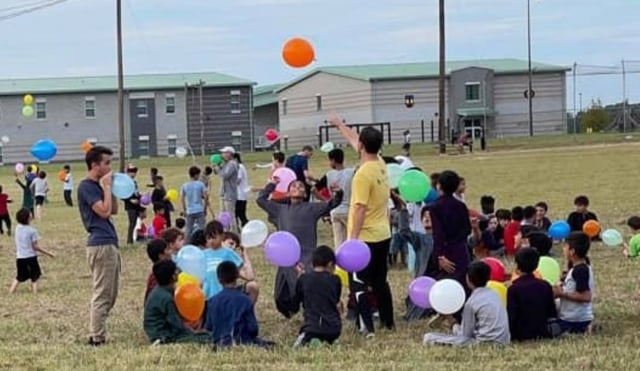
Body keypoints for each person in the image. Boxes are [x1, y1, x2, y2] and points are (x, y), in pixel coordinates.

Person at [329, 115, 394, 335]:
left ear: (362, 146)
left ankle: (366, 326)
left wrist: (352, 241)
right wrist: (340, 126)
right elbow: (356, 140)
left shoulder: (362, 175)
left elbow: (358, 208)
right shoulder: (380, 164)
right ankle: (388, 322)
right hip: (383, 233)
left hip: (365, 238)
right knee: (380, 281)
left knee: (358, 284)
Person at [257, 178, 343, 318]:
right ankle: (291, 310)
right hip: (286, 259)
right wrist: (272, 184)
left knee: (307, 289)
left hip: (306, 257)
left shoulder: (312, 208)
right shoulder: (280, 209)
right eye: (293, 186)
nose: (297, 187)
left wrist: (338, 192)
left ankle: (315, 314)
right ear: (288, 193)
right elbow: (261, 200)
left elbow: (333, 203)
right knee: (280, 297)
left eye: (301, 186)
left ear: (305, 194)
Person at [77, 145, 120, 346]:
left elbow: (114, 210)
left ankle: (98, 331)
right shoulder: (86, 186)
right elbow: (103, 212)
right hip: (100, 243)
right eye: (107, 163)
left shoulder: (101, 186)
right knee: (102, 292)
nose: (110, 167)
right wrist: (106, 188)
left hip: (110, 242)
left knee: (111, 294)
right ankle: (96, 336)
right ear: (95, 165)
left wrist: (112, 188)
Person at [423, 261, 510, 346]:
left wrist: (452, 321)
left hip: (485, 343)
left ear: (468, 278)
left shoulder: (471, 303)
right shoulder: (494, 294)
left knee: (429, 337)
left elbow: (465, 335)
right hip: (504, 340)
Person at [205, 261, 274, 349]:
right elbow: (253, 328)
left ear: (219, 280)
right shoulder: (245, 300)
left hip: (220, 343)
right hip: (243, 341)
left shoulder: (212, 301)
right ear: (237, 276)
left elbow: (209, 326)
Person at [143, 260, 210, 344]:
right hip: (162, 334)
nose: (179, 271)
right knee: (206, 337)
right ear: (173, 276)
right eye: (176, 270)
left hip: (156, 331)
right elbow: (176, 324)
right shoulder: (166, 298)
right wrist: (193, 332)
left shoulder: (160, 290)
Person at [291, 246, 342, 347]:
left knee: (299, 344)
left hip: (311, 328)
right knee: (329, 336)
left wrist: (300, 278)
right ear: (330, 264)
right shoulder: (336, 279)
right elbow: (335, 300)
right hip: (334, 329)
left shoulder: (304, 279)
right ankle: (330, 341)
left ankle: (313, 341)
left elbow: (297, 300)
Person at [508, 248, 558, 341]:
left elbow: (512, 316)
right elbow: (551, 312)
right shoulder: (545, 285)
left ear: (517, 266)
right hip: (543, 331)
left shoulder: (513, 289)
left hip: (521, 335)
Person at [202, 221, 258, 303]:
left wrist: (244, 254)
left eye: (214, 237)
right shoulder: (203, 254)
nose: (211, 241)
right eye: (208, 238)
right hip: (207, 297)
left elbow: (247, 276)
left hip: (225, 296)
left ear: (222, 236)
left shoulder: (228, 253)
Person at [554, 232, 595, 334]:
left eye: (565, 247)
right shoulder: (580, 267)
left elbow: (586, 296)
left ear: (572, 251)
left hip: (573, 319)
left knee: (548, 328)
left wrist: (562, 293)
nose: (563, 249)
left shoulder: (580, 270)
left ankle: (584, 328)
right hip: (575, 316)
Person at [313, 149, 354, 249]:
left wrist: (325, 200)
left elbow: (313, 189)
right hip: (349, 210)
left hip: (335, 211)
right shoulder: (352, 172)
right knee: (352, 239)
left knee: (339, 241)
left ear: (333, 160)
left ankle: (340, 262)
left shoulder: (329, 175)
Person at [9, 208, 55, 294]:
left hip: (20, 257)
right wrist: (48, 253)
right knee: (35, 275)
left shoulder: (17, 228)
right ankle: (35, 292)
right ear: (28, 218)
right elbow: (35, 247)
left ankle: (11, 291)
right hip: (31, 257)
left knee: (19, 276)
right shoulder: (32, 231)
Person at [222, 231, 259, 304]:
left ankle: (246, 312)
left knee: (252, 286)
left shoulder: (232, 262)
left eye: (235, 246)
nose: (233, 247)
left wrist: (244, 254)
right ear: (222, 241)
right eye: (231, 243)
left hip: (231, 293)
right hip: (214, 294)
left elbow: (250, 277)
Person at [180, 166, 209, 239]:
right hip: (199, 209)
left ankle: (186, 244)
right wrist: (205, 209)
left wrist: (184, 210)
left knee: (188, 229)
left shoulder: (185, 185)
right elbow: (206, 197)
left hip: (190, 211)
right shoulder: (200, 184)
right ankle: (203, 243)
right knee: (202, 228)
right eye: (198, 175)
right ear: (196, 175)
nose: (199, 176)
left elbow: (182, 198)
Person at [215, 146, 239, 233]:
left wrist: (218, 168)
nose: (222, 155)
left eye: (224, 153)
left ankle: (234, 234)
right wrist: (217, 165)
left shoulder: (232, 164)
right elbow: (218, 172)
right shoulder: (226, 164)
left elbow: (225, 175)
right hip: (224, 193)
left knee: (230, 216)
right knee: (223, 216)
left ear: (230, 154)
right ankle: (226, 232)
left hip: (230, 194)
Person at [123, 164, 142, 245]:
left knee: (135, 222)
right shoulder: (125, 183)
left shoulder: (134, 182)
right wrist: (130, 200)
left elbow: (136, 192)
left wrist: (140, 196)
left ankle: (133, 238)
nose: (133, 173)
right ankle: (129, 240)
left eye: (134, 171)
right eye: (131, 171)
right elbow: (122, 195)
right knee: (132, 223)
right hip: (130, 206)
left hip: (136, 205)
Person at [234, 153, 250, 228]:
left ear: (236, 159)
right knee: (240, 214)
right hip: (241, 194)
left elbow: (238, 180)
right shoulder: (241, 166)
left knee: (239, 214)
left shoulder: (239, 167)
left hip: (240, 195)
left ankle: (247, 228)